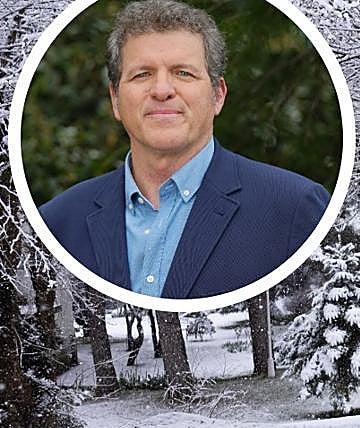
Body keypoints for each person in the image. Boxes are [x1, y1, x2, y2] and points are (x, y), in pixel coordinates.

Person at [39, 0, 330, 299]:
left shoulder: (293, 210)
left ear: (218, 95)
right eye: (142, 74)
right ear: (115, 99)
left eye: (183, 73)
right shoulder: (57, 223)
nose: (162, 90)